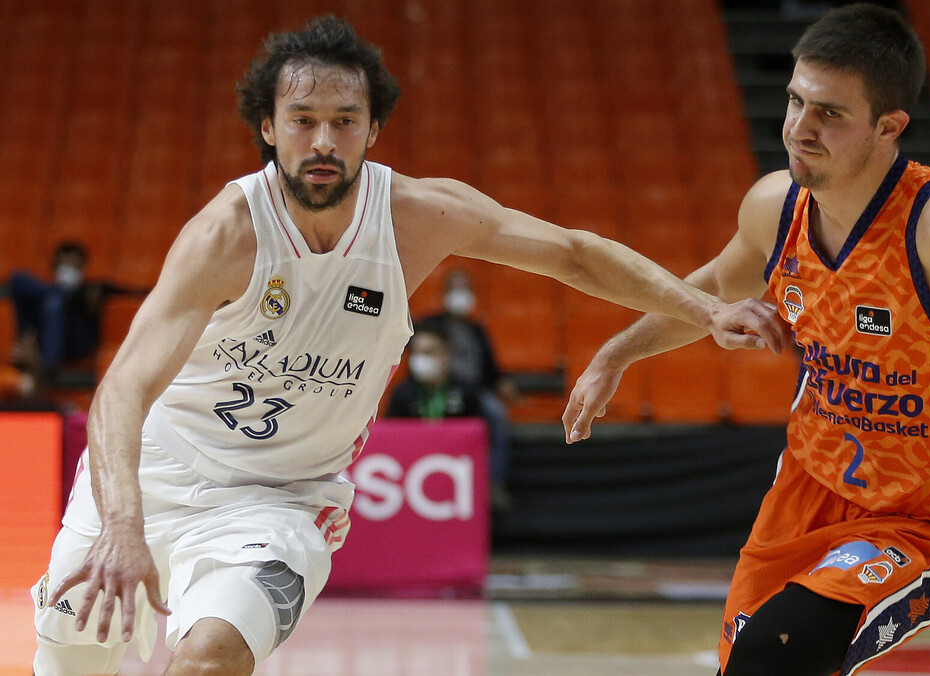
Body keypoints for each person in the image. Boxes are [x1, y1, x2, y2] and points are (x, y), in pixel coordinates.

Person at [30, 16, 787, 676]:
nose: (324, 140)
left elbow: (576, 253)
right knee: (68, 660)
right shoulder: (225, 234)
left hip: (279, 502)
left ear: (372, 127)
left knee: (209, 659)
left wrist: (704, 308)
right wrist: (123, 525)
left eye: (345, 119)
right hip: (152, 477)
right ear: (267, 126)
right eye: (301, 119)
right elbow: (123, 388)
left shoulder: (416, 216)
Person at [563, 5, 930, 675]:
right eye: (797, 101)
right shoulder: (775, 208)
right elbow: (707, 290)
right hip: (806, 491)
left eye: (830, 113)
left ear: (890, 128)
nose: (800, 127)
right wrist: (615, 353)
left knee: (777, 655)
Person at [415, 268, 518, 502]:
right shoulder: (432, 324)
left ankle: (494, 483)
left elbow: (492, 369)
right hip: (437, 388)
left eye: (465, 289)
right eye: (456, 289)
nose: (460, 295)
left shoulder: (477, 330)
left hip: (476, 391)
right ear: (445, 293)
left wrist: (503, 384)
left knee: (497, 414)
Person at [8, 243, 106, 380]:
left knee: (53, 303)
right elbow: (16, 281)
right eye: (63, 266)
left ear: (83, 268)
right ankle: (39, 361)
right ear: (54, 267)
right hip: (39, 341)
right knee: (24, 282)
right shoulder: (42, 297)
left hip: (74, 346)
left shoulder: (90, 293)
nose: (67, 271)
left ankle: (46, 366)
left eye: (73, 266)